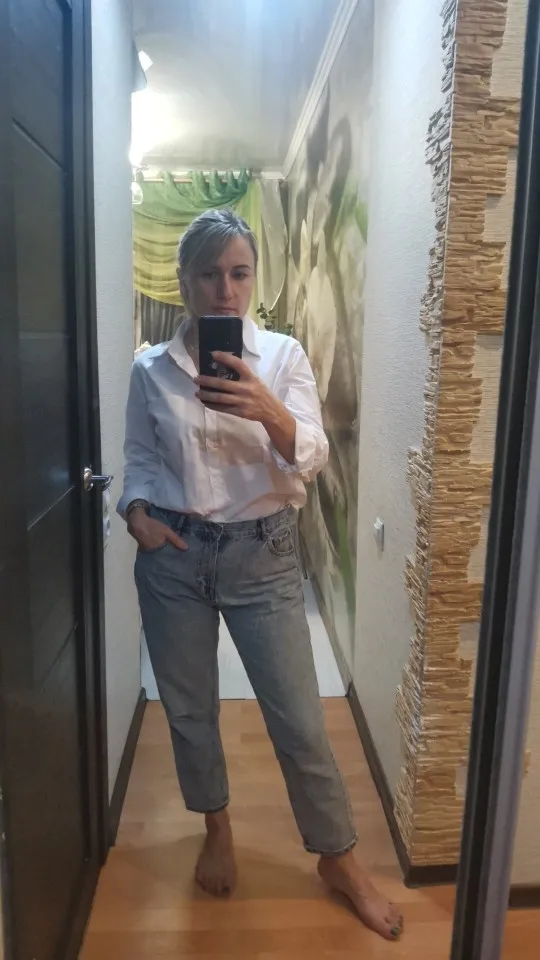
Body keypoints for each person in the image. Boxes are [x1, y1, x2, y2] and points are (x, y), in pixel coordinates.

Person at [119, 208, 403, 942]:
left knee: (299, 721)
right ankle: (216, 827)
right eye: (209, 274)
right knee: (189, 712)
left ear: (253, 278)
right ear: (183, 281)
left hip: (264, 553)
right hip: (173, 556)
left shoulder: (282, 356)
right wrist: (136, 512)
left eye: (239, 273)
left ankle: (338, 858)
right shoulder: (150, 370)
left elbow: (311, 456)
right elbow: (140, 459)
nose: (225, 290)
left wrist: (268, 409)